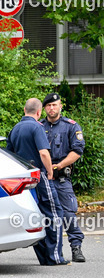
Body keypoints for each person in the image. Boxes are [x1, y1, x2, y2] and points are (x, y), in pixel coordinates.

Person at [6, 98, 68, 266]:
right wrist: (49, 172)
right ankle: (54, 257)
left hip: (22, 178)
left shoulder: (15, 129)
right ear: (39, 112)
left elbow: (9, 155)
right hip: (38, 176)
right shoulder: (36, 127)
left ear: (25, 109)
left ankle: (43, 257)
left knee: (36, 216)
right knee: (54, 214)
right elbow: (44, 153)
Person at [41, 92, 86, 262]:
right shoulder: (39, 126)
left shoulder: (71, 126)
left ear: (60, 106)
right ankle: (48, 251)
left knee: (67, 214)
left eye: (55, 105)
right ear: (44, 108)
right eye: (49, 105)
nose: (52, 108)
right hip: (43, 178)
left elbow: (77, 151)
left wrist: (60, 165)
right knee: (42, 214)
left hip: (61, 178)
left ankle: (76, 247)